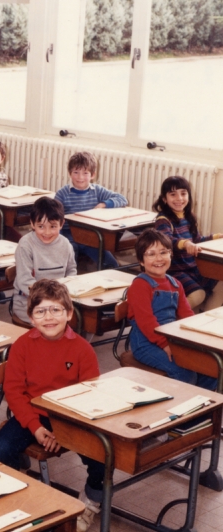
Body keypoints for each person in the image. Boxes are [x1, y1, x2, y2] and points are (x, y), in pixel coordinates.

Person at [0, 279, 103, 532]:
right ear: (31, 317)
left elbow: (89, 397)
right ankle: (15, 501)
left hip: (72, 417)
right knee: (1, 446)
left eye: (56, 310)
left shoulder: (83, 350)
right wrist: (35, 428)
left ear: (69, 314)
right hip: (34, 413)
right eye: (41, 311)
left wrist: (63, 433)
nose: (49, 317)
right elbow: (14, 392)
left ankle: (91, 501)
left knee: (103, 456)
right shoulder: (22, 345)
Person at [128, 229, 217, 389]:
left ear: (171, 255)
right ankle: (179, 409)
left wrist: (195, 340)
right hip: (146, 343)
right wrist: (165, 344)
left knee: (210, 369)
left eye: (163, 252)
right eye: (151, 254)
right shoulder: (140, 285)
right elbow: (146, 321)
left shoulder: (175, 283)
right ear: (141, 261)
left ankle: (200, 408)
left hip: (171, 338)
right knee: (184, 372)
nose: (159, 258)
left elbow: (187, 316)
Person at [153, 175, 223, 311]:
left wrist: (216, 237)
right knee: (198, 295)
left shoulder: (189, 216)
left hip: (192, 268)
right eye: (173, 194)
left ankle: (204, 321)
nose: (179, 198)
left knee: (220, 285)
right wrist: (185, 244)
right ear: (164, 199)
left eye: (183, 193)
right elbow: (165, 242)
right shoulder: (163, 220)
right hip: (174, 270)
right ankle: (171, 316)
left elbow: (196, 241)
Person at [54, 151, 127, 269]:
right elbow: (55, 218)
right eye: (76, 172)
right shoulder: (62, 194)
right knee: (70, 259)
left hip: (92, 236)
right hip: (69, 235)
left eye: (85, 173)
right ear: (69, 173)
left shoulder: (97, 190)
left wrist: (104, 204)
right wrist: (59, 240)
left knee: (111, 264)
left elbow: (122, 199)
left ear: (93, 175)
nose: (80, 177)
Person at [12, 197, 77, 324]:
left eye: (53, 226)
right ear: (32, 223)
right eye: (41, 226)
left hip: (59, 301)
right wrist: (51, 299)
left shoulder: (65, 243)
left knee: (84, 320)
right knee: (59, 322)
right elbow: (25, 281)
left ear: (62, 224)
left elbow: (71, 270)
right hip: (29, 303)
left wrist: (63, 295)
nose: (47, 232)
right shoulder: (26, 245)